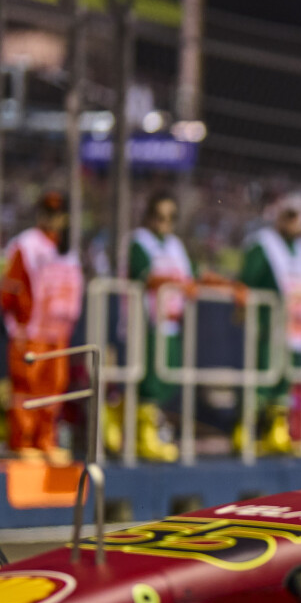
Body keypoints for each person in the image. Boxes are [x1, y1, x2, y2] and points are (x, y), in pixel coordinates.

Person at [0, 191, 83, 462]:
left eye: (57, 213)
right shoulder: (26, 245)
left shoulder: (69, 252)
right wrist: (17, 325)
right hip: (30, 332)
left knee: (54, 387)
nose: (51, 218)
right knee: (26, 387)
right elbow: (9, 290)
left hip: (58, 335)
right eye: (46, 212)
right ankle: (22, 442)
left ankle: (46, 440)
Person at [238, 192, 301, 454]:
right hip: (266, 325)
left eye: (299, 216)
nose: (295, 222)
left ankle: (277, 430)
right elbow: (247, 280)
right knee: (261, 374)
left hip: (294, 325)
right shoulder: (263, 245)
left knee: (286, 377)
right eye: (289, 215)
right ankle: (246, 429)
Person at [118, 191, 191, 463]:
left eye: (171, 217)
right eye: (160, 216)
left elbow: (189, 275)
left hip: (170, 322)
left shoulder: (175, 245)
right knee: (147, 379)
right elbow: (143, 275)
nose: (165, 223)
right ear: (149, 216)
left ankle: (148, 427)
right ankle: (140, 432)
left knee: (165, 378)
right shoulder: (139, 241)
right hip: (145, 322)